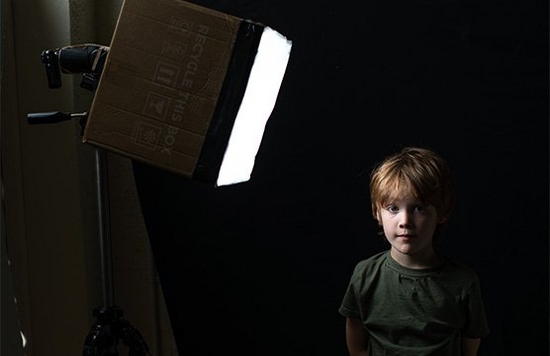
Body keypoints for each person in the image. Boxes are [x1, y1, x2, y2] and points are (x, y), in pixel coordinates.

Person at [339, 146, 489, 356]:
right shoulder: (364, 275)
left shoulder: (463, 282)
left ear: (442, 212)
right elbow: (356, 339)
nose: (405, 222)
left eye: (418, 207)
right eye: (393, 208)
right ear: (377, 213)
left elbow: (470, 343)